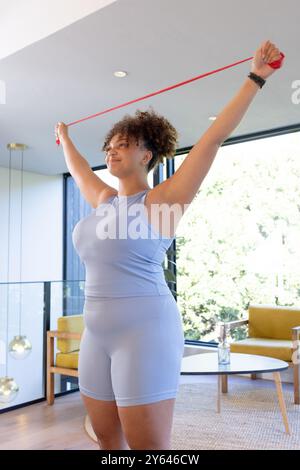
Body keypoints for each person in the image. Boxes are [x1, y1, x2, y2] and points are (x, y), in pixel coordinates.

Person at [55, 40, 282, 450]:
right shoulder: (104, 202)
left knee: (149, 450)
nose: (111, 150)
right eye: (109, 146)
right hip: (95, 331)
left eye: (122, 144)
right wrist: (63, 136)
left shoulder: (163, 202)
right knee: (108, 440)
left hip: (145, 330)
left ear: (148, 153)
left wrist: (255, 78)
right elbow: (76, 166)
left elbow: (212, 139)